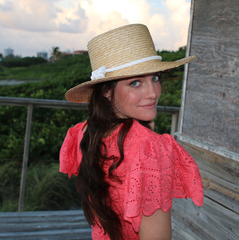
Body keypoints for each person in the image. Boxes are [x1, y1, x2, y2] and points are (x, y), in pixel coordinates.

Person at [59, 24, 204, 240]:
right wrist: (146, 136)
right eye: (135, 83)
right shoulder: (150, 148)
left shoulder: (84, 133)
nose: (152, 93)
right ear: (106, 90)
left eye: (155, 78)